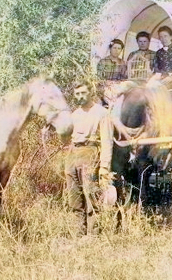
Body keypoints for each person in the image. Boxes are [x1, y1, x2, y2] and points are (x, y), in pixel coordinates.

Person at [63, 82, 115, 235]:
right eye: (77, 94)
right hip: (73, 153)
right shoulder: (75, 114)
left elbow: (107, 141)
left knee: (91, 194)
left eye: (83, 93)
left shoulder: (101, 113)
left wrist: (104, 166)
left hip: (90, 152)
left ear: (90, 92)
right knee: (74, 195)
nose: (80, 96)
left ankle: (94, 235)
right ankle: (78, 234)